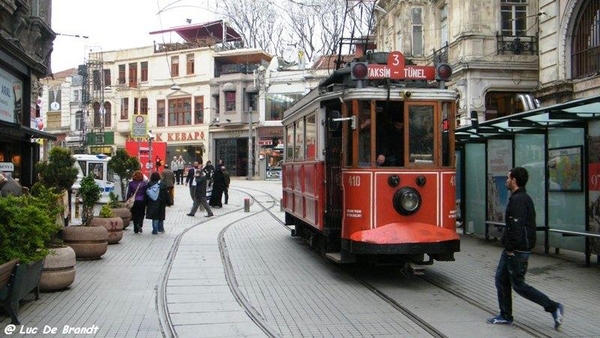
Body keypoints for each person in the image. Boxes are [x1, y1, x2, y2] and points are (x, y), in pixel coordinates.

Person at [487, 167, 564, 330]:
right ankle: (505, 315)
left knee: (519, 285)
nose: (506, 181)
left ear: (514, 180)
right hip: (515, 249)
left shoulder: (519, 200)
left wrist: (509, 247)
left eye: (508, 178)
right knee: (501, 280)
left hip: (516, 250)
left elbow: (516, 226)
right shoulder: (520, 197)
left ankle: (553, 306)